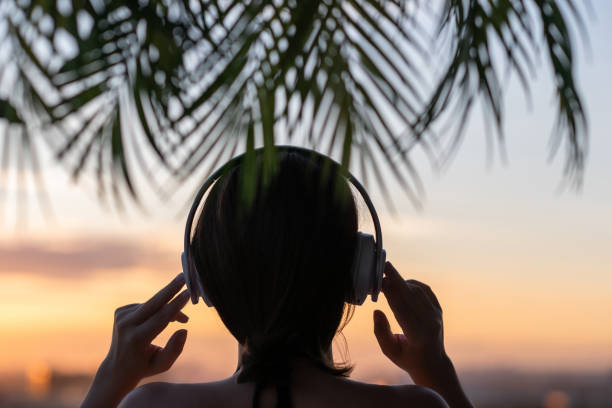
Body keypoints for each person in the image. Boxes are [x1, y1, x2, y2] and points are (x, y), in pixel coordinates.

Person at [81, 151, 473, 408]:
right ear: (358, 272)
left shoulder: (151, 407)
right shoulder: (418, 407)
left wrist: (110, 380)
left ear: (206, 279)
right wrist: (435, 368)